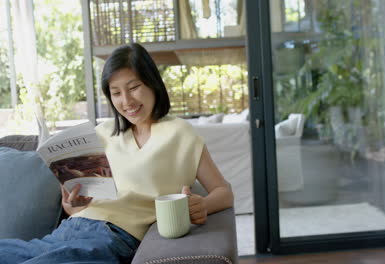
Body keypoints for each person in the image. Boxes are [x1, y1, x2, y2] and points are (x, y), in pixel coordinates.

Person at [0, 43, 234, 263]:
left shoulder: (181, 134)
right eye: (116, 93)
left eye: (134, 88)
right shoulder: (101, 134)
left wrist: (202, 206)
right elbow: (77, 207)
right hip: (71, 228)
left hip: (115, 237)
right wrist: (72, 204)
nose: (127, 101)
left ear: (153, 84)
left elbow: (224, 192)